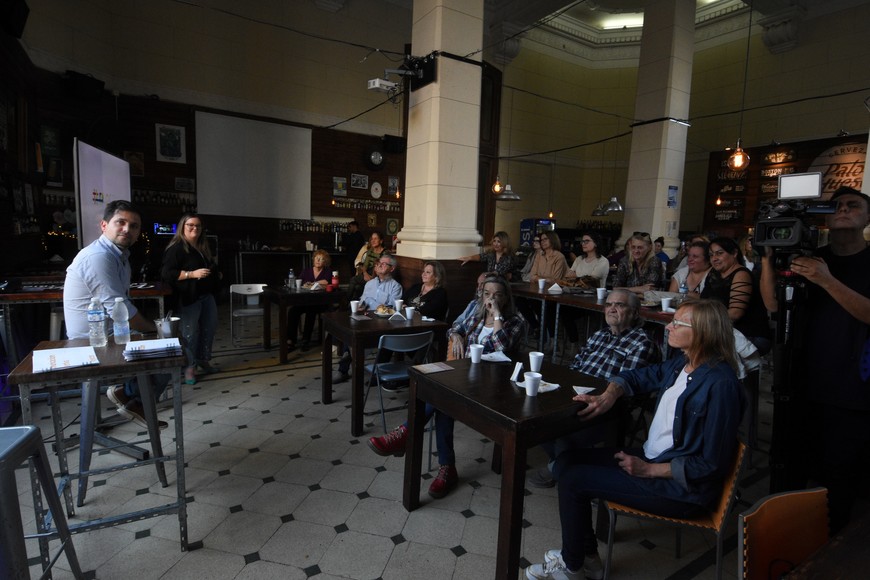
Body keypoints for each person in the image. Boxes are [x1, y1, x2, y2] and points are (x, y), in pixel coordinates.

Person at [524, 300, 745, 580]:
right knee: (565, 460)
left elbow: (711, 464)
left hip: (680, 488)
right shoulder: (683, 364)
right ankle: (587, 558)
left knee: (573, 479)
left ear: (703, 332)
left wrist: (649, 470)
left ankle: (572, 566)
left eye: (677, 323)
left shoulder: (721, 385)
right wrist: (610, 393)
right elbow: (639, 376)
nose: (668, 327)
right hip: (651, 459)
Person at [759, 186, 870, 534]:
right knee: (793, 464)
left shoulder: (843, 265)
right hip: (801, 380)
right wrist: (767, 259)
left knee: (841, 473)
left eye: (853, 205)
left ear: (868, 218)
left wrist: (826, 280)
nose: (843, 210)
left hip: (851, 386)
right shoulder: (810, 257)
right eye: (837, 206)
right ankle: (787, 536)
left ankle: (832, 544)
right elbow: (773, 304)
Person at [367, 274, 527, 499]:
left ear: (506, 297)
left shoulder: (516, 320)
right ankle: (445, 467)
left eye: (497, 295)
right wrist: (456, 335)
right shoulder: (476, 310)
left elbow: (501, 345)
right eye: (487, 294)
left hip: (495, 385)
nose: (491, 299)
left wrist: (497, 314)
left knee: (441, 397)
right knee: (439, 396)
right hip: (466, 376)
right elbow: (454, 326)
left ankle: (407, 436)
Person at [529, 289, 660, 488]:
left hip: (608, 409)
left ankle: (561, 467)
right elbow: (575, 366)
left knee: (563, 430)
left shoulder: (642, 342)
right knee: (535, 418)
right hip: (574, 396)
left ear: (635, 313)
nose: (612, 309)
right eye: (608, 304)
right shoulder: (599, 335)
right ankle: (562, 461)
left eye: (619, 305)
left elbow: (624, 386)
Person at [63, 200, 170, 429]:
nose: (127, 229)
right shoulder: (97, 257)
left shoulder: (119, 256)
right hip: (92, 341)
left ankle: (128, 393)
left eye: (134, 226)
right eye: (120, 222)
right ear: (104, 225)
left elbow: (122, 307)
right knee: (171, 348)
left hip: (112, 332)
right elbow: (121, 312)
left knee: (170, 343)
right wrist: (155, 329)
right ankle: (135, 399)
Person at [161, 212, 221, 385]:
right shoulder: (176, 248)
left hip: (206, 295)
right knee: (190, 333)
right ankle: (189, 367)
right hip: (189, 297)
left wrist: (216, 273)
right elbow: (167, 273)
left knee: (209, 329)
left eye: (198, 226)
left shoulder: (202, 247)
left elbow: (210, 266)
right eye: (191, 225)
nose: (195, 228)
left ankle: (203, 360)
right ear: (183, 227)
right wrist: (191, 274)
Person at [333, 253, 403, 382]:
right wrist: (361, 306)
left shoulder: (395, 286)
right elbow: (363, 302)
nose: (379, 265)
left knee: (356, 338)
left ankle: (349, 358)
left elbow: (392, 309)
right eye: (379, 263)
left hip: (381, 323)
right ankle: (344, 367)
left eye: (384, 264)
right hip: (364, 318)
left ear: (392, 268)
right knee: (348, 328)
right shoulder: (369, 284)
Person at [701, 237, 770, 353]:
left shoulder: (741, 274)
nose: (714, 258)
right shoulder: (714, 274)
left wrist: (703, 320)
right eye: (711, 255)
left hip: (749, 336)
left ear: (734, 253)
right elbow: (703, 300)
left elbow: (735, 313)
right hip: (725, 331)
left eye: (719, 253)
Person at [560, 232, 612, 346]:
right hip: (575, 296)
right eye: (582, 241)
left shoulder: (602, 261)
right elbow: (568, 277)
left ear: (596, 243)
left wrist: (577, 278)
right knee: (562, 311)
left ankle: (588, 345)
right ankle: (574, 343)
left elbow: (591, 281)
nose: (583, 243)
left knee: (570, 313)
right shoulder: (579, 259)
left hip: (594, 300)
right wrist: (581, 279)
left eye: (587, 241)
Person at [521, 231, 568, 342]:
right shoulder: (539, 255)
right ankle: (537, 327)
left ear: (553, 240)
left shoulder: (559, 257)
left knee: (545, 307)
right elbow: (532, 275)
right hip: (538, 291)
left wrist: (539, 278)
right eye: (541, 240)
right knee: (520, 301)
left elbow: (555, 279)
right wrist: (544, 278)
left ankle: (549, 337)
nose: (543, 242)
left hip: (553, 293)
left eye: (545, 239)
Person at [286, 249, 333, 352]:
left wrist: (312, 283)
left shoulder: (327, 271)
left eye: (321, 259)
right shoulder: (306, 271)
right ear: (313, 259)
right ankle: (291, 340)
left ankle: (305, 340)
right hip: (305, 300)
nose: (318, 261)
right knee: (292, 311)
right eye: (317, 258)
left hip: (319, 302)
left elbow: (326, 282)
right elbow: (300, 283)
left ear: (325, 262)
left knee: (311, 311)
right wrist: (316, 283)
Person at [347, 231, 387, 301]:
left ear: (381, 241)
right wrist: (365, 274)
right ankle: (353, 304)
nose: (373, 241)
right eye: (372, 239)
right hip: (368, 274)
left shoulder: (385, 253)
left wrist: (372, 278)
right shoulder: (370, 251)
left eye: (375, 239)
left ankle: (347, 301)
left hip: (379, 277)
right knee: (357, 287)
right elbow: (365, 266)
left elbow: (383, 269)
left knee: (353, 280)